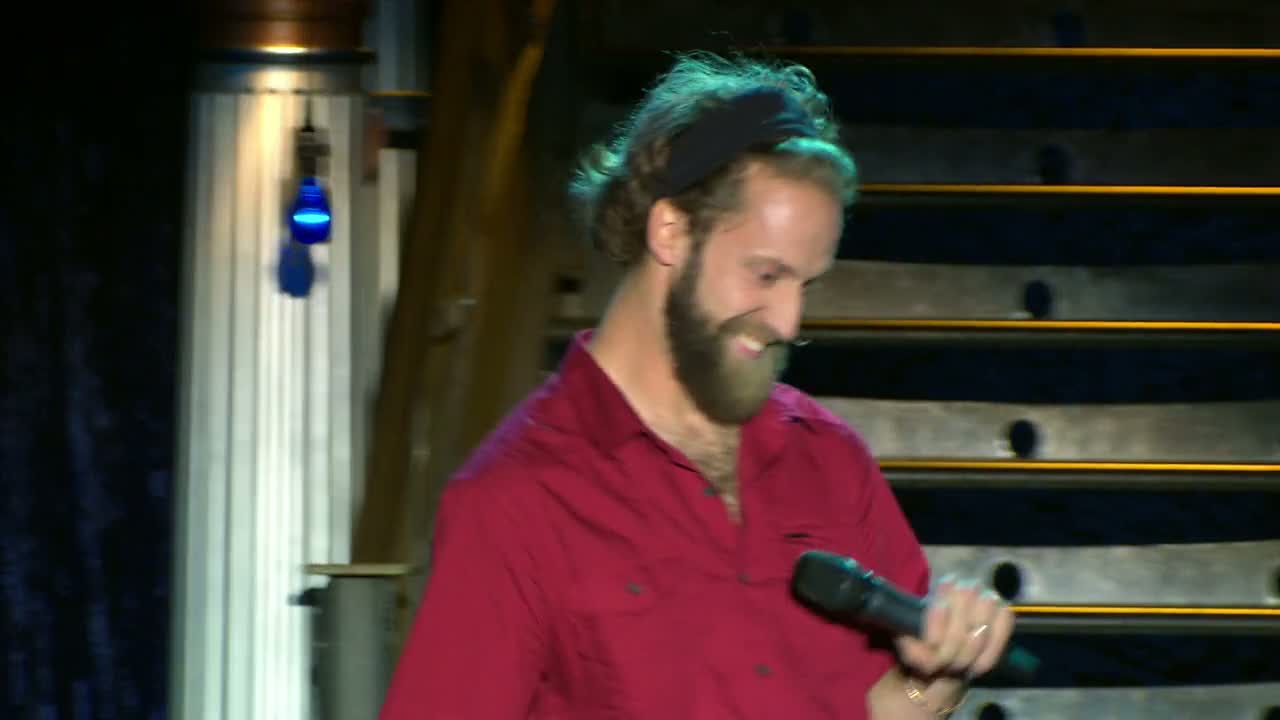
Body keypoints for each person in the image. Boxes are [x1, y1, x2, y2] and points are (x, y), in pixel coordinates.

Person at [378, 51, 1015, 719]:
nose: (789, 321)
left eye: (806, 284)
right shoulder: (514, 501)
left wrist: (932, 679)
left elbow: (879, 707)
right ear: (672, 231)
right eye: (766, 275)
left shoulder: (828, 459)